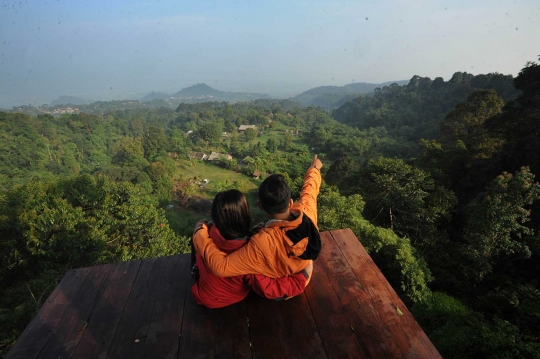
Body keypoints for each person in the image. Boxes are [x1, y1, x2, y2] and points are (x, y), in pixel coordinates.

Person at [192, 155, 323, 280]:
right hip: (305, 273)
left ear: (260, 206)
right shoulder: (306, 212)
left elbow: (220, 267)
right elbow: (309, 190)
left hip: (283, 291)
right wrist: (315, 169)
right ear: (290, 203)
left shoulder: (262, 243)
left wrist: (200, 233)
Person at [191, 189, 313, 309]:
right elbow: (270, 288)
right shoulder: (251, 255)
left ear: (216, 218)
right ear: (245, 216)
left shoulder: (205, 233)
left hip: (202, 291)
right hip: (225, 299)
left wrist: (199, 229)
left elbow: (225, 241)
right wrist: (301, 278)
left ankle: (195, 267)